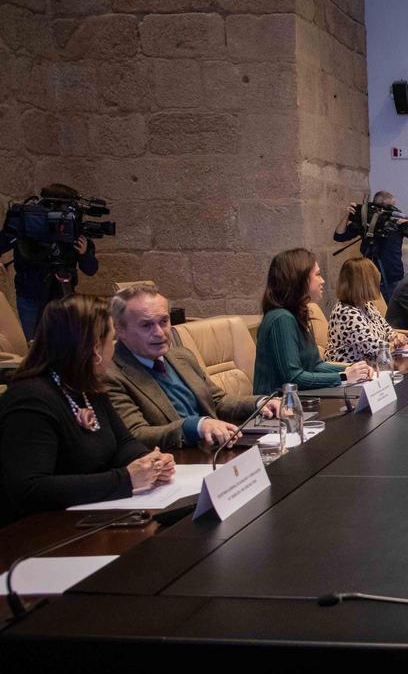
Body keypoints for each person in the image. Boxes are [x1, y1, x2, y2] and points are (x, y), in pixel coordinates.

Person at [0, 295, 174, 526]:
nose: (115, 346)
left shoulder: (87, 386)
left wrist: (150, 462)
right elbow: (30, 489)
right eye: (113, 339)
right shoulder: (30, 400)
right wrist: (126, 479)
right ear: (95, 349)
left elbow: (123, 444)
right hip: (40, 530)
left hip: (90, 514)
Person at [104, 284, 279, 449]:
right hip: (177, 462)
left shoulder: (181, 356)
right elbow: (137, 434)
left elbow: (217, 400)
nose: (159, 332)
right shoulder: (110, 375)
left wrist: (260, 402)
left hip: (218, 448)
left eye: (164, 321)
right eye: (146, 325)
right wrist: (196, 426)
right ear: (120, 330)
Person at [254, 248, 374, 393]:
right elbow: (293, 378)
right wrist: (343, 376)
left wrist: (353, 368)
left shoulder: (296, 314)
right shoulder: (281, 318)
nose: (322, 280)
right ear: (300, 279)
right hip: (278, 408)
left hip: (301, 400)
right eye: (317, 274)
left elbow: (315, 366)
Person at [12, 183, 100, 339]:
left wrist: (85, 253)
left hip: (63, 295)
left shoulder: (74, 231)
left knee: (65, 344)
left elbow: (91, 269)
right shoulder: (30, 228)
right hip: (31, 295)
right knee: (35, 343)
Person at [333, 191, 408, 300]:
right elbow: (339, 236)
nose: (392, 210)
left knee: (394, 315)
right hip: (369, 280)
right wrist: (348, 215)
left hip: (394, 279)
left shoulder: (397, 223)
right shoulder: (366, 222)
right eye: (389, 207)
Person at [326, 257, 408, 364]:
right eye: (375, 281)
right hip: (351, 371)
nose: (378, 285)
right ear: (364, 285)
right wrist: (396, 345)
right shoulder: (346, 312)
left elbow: (386, 329)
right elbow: (372, 347)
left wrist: (397, 336)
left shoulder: (367, 305)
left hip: (371, 366)